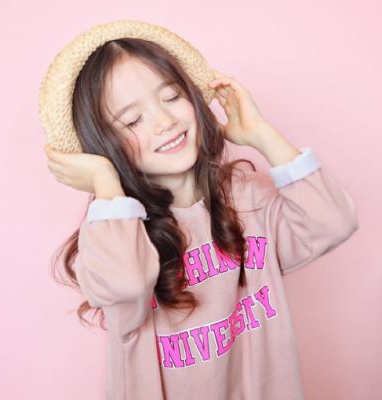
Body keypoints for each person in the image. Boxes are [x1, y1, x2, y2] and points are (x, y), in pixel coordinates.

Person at [40, 20, 359, 400]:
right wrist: (105, 181)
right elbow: (126, 284)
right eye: (133, 120)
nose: (165, 121)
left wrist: (261, 134)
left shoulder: (246, 198)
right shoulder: (114, 234)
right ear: (103, 145)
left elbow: (333, 223)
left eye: (172, 96)